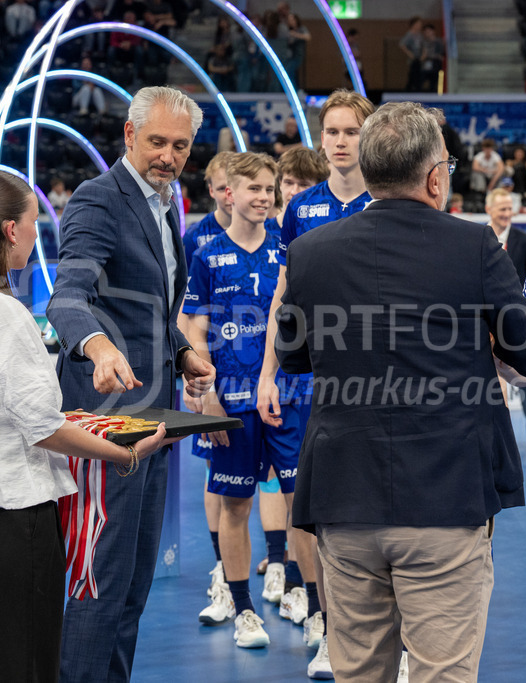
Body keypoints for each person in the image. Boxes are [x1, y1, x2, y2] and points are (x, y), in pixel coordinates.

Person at [274, 100, 526, 682]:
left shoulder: (310, 252)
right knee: (442, 672)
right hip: (446, 499)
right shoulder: (475, 246)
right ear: (434, 178)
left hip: (343, 498)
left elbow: (293, 356)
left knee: (359, 672)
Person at [0, 168, 168, 682]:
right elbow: (42, 428)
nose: (38, 235)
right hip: (12, 517)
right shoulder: (4, 313)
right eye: (35, 222)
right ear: (10, 230)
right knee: (27, 668)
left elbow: (0, 409)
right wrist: (125, 453)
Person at [46, 86, 216, 683]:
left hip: (154, 422)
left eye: (181, 146)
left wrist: (182, 351)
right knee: (100, 584)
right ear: (128, 134)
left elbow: (149, 309)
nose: (168, 156)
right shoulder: (98, 200)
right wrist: (97, 346)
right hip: (106, 424)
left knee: (133, 586)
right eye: (157, 142)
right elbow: (67, 297)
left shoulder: (164, 206)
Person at [258, 88, 376, 680]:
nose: (340, 141)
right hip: (314, 385)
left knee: (381, 515)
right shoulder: (301, 209)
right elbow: (285, 298)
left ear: (369, 137)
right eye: (332, 131)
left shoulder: (387, 198)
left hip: (381, 383)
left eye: (351, 131)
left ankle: (395, 641)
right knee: (318, 512)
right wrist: (268, 374)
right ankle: (329, 629)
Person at [183, 151, 312, 650]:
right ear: (228, 193)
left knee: (303, 506)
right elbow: (194, 329)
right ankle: (243, 611)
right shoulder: (207, 254)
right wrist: (208, 395)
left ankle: (312, 607)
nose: (263, 197)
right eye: (253, 188)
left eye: (269, 189)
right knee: (234, 505)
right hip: (232, 404)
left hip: (289, 396)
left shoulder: (290, 248)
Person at [486, 187, 526, 450]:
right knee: (489, 378)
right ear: (489, 210)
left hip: (517, 319)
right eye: (502, 209)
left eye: (510, 209)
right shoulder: (477, 238)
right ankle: (495, 434)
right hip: (485, 320)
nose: (507, 213)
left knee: (523, 374)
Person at [183, 151, 234, 269]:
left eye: (235, 187)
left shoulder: (263, 230)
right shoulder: (194, 235)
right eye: (222, 188)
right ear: (211, 190)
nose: (229, 195)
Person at [285, 13, 310, 87]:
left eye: (292, 20)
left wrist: (295, 34)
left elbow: (308, 37)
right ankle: (293, 88)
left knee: (289, 70)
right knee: (291, 72)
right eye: (289, 20)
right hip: (289, 55)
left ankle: (295, 89)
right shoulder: (288, 30)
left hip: (298, 55)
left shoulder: (301, 28)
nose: (290, 22)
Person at [399, 16, 424, 91]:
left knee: (418, 75)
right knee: (413, 75)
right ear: (414, 24)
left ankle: (416, 89)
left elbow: (423, 45)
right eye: (418, 24)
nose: (420, 26)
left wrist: (423, 55)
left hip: (419, 57)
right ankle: (409, 89)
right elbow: (402, 44)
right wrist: (410, 54)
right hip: (413, 58)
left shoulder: (419, 35)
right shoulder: (410, 34)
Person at [419, 23, 444, 92]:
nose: (427, 33)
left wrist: (431, 55)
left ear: (433, 31)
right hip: (426, 64)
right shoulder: (423, 42)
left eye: (429, 31)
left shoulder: (439, 41)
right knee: (420, 80)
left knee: (435, 82)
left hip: (436, 64)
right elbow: (423, 54)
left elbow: (441, 54)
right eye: (425, 32)